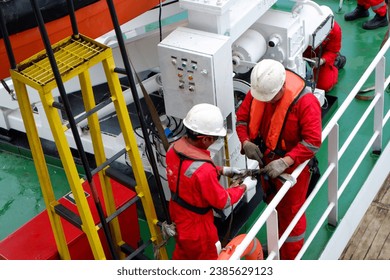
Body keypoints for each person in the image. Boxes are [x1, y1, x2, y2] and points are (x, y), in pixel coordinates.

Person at [235, 59, 322, 260]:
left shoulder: (305, 102)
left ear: (282, 86)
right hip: (267, 168)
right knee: (272, 207)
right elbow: (242, 119)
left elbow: (312, 142)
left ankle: (290, 259)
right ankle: (276, 245)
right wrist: (245, 142)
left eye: (272, 98)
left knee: (291, 215)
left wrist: (286, 161)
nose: (267, 101)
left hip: (292, 172)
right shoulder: (259, 91)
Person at [166, 103, 257, 260]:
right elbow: (223, 201)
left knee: (182, 256)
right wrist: (244, 187)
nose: (214, 141)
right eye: (214, 139)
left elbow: (190, 175)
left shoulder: (173, 149)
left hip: (178, 215)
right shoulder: (203, 170)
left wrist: (222, 170)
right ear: (205, 138)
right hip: (198, 228)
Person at [304, 6, 346, 92]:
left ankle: (336, 62)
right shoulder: (302, 27)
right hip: (303, 52)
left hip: (321, 55)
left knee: (325, 86)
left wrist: (322, 60)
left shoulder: (335, 30)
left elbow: (332, 50)